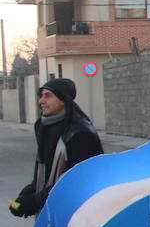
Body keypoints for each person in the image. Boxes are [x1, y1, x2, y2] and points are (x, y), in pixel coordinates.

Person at [9, 78, 103, 219]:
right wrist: (25, 195)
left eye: (48, 95)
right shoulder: (44, 127)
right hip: (49, 214)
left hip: (74, 217)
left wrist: (36, 201)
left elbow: (78, 182)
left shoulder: (80, 133)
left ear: (63, 99)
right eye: (41, 96)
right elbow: (42, 173)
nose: (41, 101)